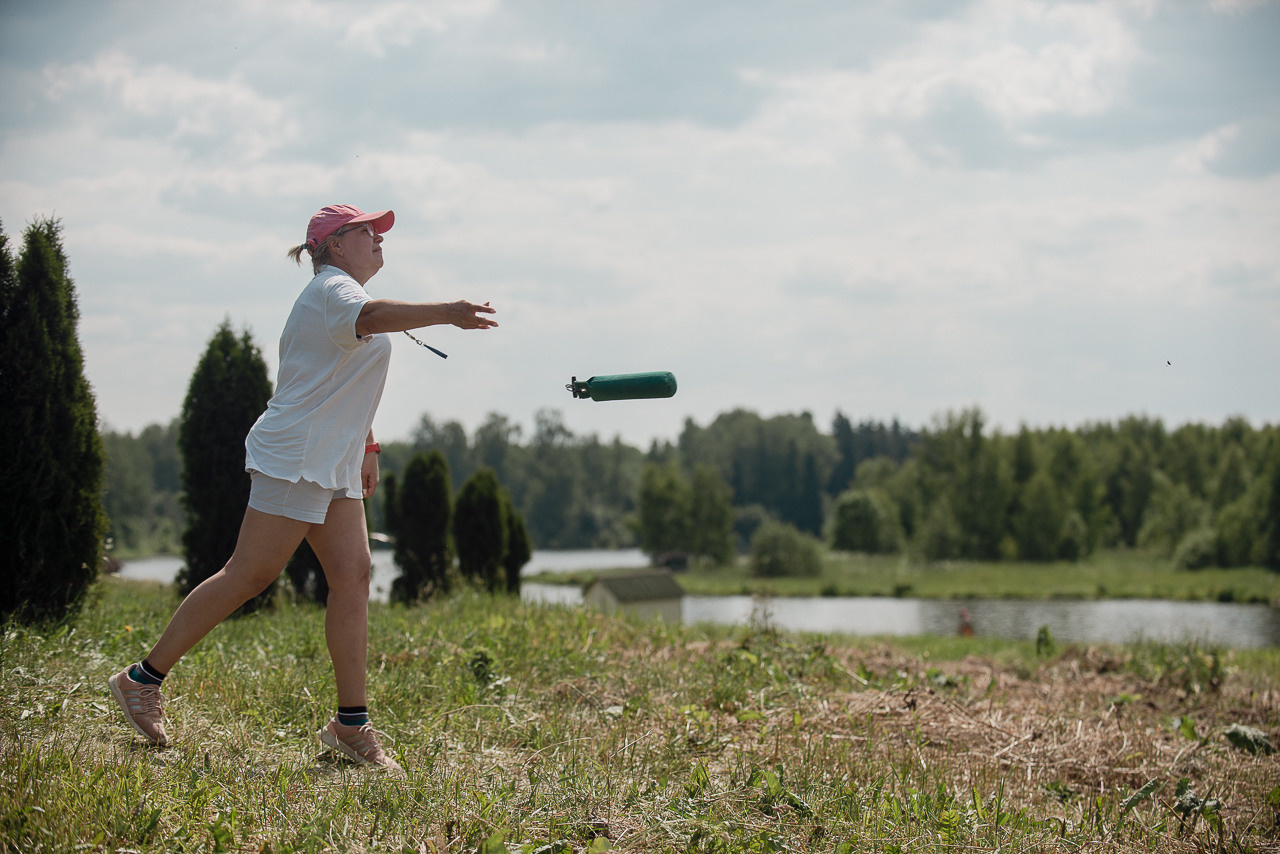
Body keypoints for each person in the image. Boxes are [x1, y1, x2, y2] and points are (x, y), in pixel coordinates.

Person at [108, 204, 497, 771]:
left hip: (330, 461)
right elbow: (368, 320)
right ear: (335, 244)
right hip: (296, 458)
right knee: (250, 575)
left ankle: (350, 725)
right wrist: (448, 311)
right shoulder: (331, 291)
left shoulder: (341, 296)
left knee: (353, 575)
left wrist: (365, 445)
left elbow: (337, 379)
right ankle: (141, 680)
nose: (379, 239)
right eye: (368, 231)